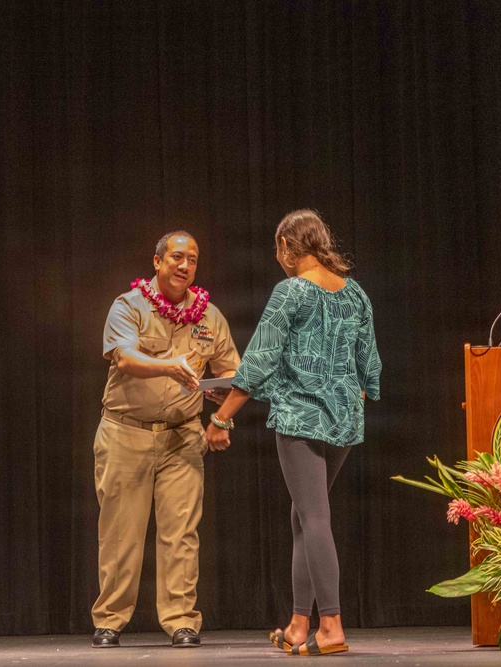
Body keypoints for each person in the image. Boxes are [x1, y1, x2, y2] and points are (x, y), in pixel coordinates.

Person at [205, 210, 381, 657]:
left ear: (286, 244)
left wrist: (222, 417)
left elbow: (260, 359)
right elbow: (370, 364)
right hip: (343, 421)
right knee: (304, 516)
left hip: (301, 420)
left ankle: (333, 626)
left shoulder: (291, 291)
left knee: (315, 517)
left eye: (277, 249)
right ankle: (300, 622)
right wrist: (356, 396)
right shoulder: (355, 293)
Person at [91, 231, 241, 649]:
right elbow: (122, 356)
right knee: (121, 531)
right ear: (156, 262)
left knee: (181, 533)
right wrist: (168, 366)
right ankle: (110, 619)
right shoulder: (129, 306)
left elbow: (236, 375)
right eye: (176, 257)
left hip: (181, 436)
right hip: (126, 432)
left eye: (192, 259)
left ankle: (181, 620)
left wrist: (221, 404)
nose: (184, 265)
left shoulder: (209, 316)